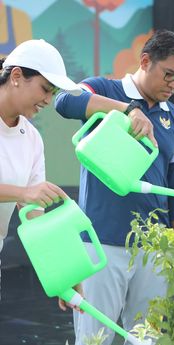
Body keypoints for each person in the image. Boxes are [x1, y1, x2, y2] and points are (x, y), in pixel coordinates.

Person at [55, 29, 174, 344]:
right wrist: (127, 109)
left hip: (155, 250)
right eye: (169, 75)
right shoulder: (106, 88)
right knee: (95, 339)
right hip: (102, 242)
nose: (173, 85)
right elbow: (64, 101)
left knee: (146, 339)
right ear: (145, 61)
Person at [0, 39, 82, 297]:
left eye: (53, 93)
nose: (48, 100)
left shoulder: (32, 138)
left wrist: (64, 272)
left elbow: (34, 215)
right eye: (45, 89)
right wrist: (23, 193)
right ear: (16, 76)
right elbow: (27, 197)